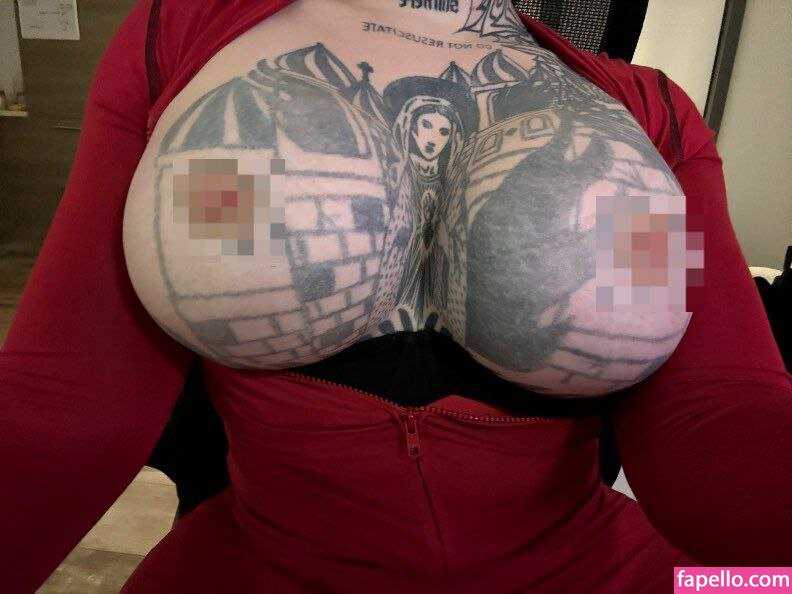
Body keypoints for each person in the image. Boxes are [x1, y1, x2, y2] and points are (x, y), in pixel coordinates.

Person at [1, 0, 791, 592]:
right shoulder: (178, 36)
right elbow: (66, 403)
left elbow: (722, 412)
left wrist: (764, 578)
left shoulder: (654, 113)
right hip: (258, 564)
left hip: (612, 570)